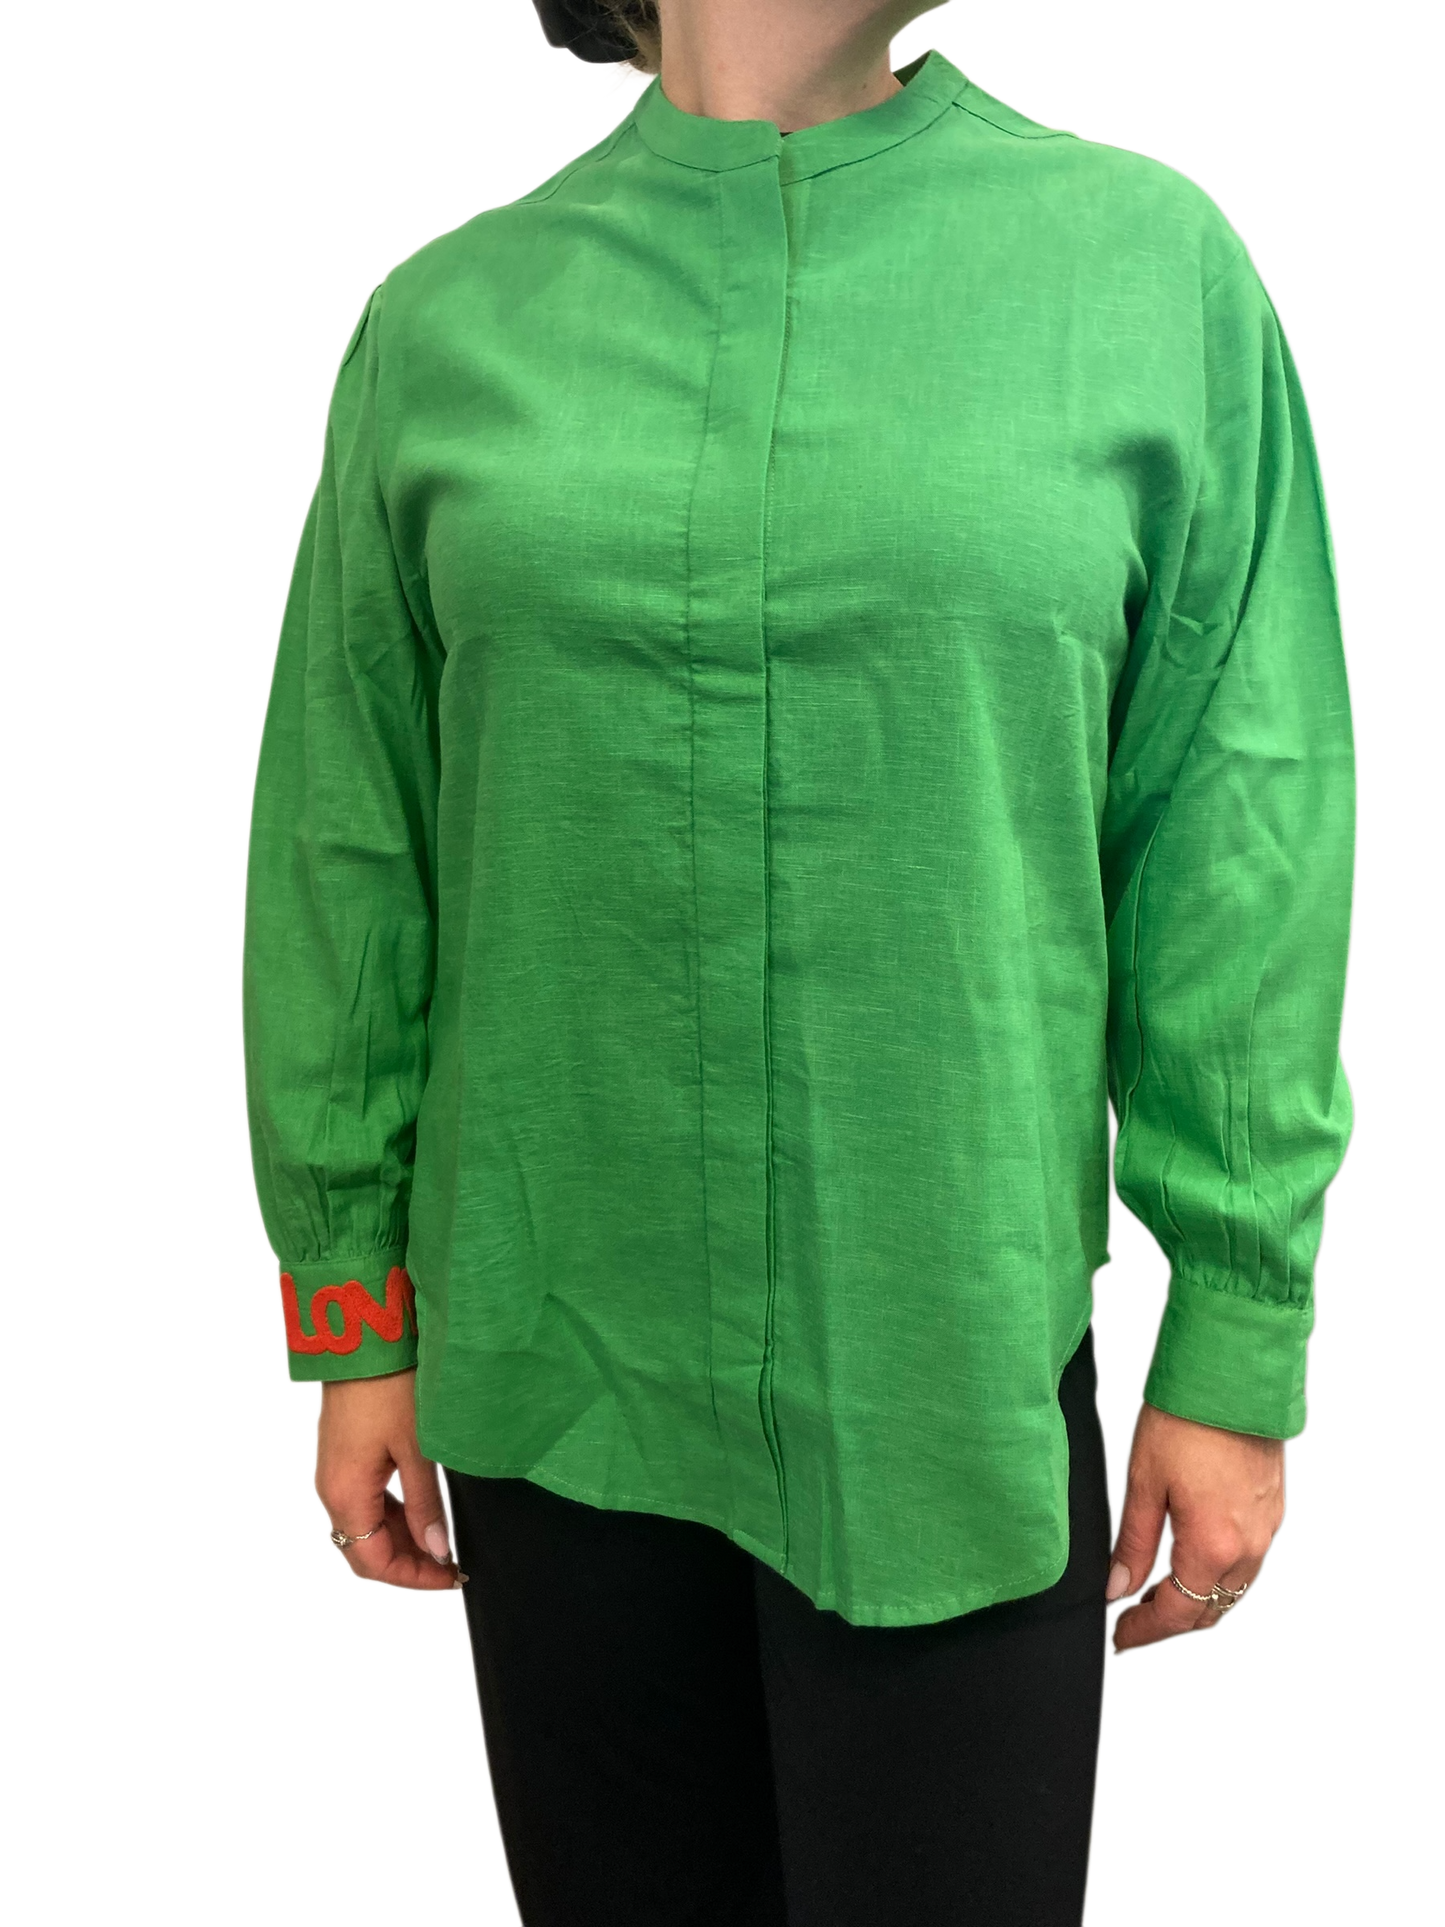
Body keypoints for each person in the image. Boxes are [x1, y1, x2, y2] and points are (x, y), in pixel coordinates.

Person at [238, 3, 1359, 1921]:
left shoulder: (1148, 270)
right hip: (545, 1382)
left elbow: (1242, 823)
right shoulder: (444, 322)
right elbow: (347, 842)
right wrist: (351, 1312)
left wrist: (1239, 1338)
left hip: (954, 1382)